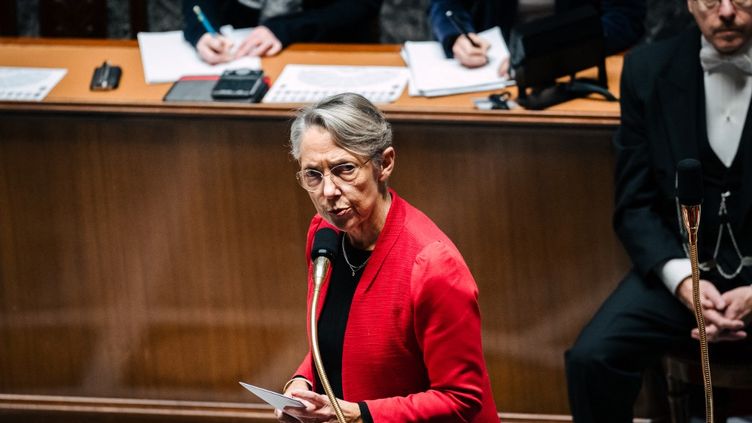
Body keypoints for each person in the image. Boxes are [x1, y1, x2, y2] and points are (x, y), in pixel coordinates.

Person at [565, 0, 752, 421]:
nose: (725, 11)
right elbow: (634, 204)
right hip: (680, 268)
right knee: (591, 360)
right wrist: (684, 281)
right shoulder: (646, 69)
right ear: (690, 3)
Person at [277, 93, 500, 423]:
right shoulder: (324, 236)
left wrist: (358, 414)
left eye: (345, 169)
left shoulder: (432, 266)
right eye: (313, 174)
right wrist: (300, 383)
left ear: (385, 163)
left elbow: (461, 399)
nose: (328, 192)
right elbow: (332, 338)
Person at [428, 0, 646, 75]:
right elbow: (444, 4)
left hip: (579, 67)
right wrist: (457, 37)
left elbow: (625, 18)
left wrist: (546, 48)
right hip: (494, 69)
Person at [182, 0, 382, 64]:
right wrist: (201, 32)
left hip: (329, 44)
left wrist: (284, 29)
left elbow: (363, 4)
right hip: (239, 50)